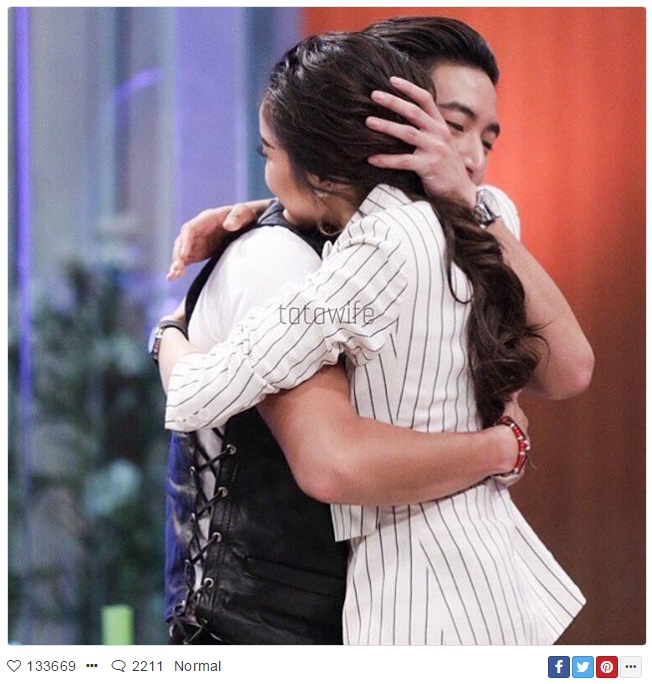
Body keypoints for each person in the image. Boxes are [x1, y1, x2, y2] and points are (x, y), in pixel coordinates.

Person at [159, 31, 588, 645]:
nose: (470, 157)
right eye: (450, 126)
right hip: (392, 598)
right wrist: (502, 448)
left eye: (486, 139)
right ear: (377, 120)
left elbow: (568, 368)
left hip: (413, 596)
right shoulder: (301, 251)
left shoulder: (450, 228)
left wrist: (169, 330)